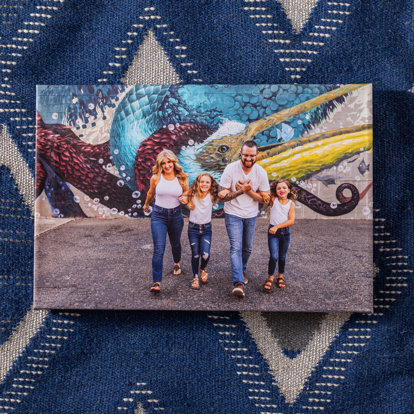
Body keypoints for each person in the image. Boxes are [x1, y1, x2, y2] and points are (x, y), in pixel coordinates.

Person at [218, 140, 270, 297]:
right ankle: (238, 282)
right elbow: (222, 196)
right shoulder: (231, 169)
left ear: (257, 155)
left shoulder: (261, 172)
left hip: (251, 215)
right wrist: (240, 191)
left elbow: (265, 199)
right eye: (246, 155)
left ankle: (242, 269)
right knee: (236, 247)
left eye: (252, 155)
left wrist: (248, 191)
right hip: (233, 213)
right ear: (241, 154)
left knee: (247, 248)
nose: (249, 158)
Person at [143, 150, 189, 293]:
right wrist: (146, 204)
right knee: (158, 249)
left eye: (169, 162)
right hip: (159, 215)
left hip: (176, 215)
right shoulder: (156, 178)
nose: (167, 166)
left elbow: (187, 192)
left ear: (173, 162)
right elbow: (151, 192)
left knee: (175, 244)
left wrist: (185, 198)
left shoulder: (182, 178)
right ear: (160, 165)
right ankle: (156, 282)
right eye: (163, 163)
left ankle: (176, 263)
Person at [179, 173, 218, 290]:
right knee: (195, 254)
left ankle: (203, 269)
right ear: (198, 183)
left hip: (206, 229)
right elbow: (183, 196)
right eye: (202, 182)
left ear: (211, 185)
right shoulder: (193, 193)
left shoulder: (212, 195)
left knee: (205, 255)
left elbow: (224, 192)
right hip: (193, 229)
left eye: (207, 182)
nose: (204, 184)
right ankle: (195, 276)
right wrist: (185, 200)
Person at [263, 179, 297, 292]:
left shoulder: (291, 204)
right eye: (279, 188)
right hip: (273, 233)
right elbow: (263, 192)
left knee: (282, 256)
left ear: (289, 190)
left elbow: (291, 220)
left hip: (285, 232)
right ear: (275, 191)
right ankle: (270, 277)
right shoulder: (273, 200)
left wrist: (277, 226)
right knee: (274, 256)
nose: (281, 190)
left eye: (284, 188)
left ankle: (280, 276)